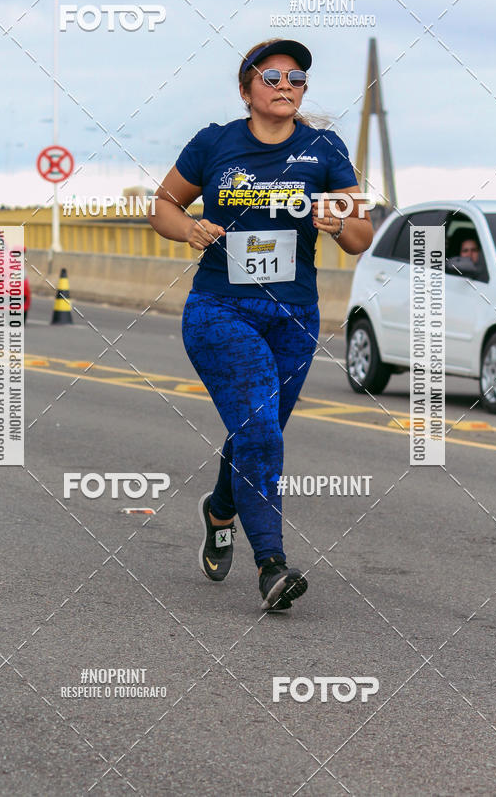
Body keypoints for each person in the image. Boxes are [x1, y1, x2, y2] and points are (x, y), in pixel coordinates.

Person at [148, 38, 373, 611]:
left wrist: (335, 222)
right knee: (260, 433)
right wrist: (189, 229)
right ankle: (271, 564)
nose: (286, 87)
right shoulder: (215, 142)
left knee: (258, 431)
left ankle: (220, 509)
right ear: (247, 87)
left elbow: (360, 236)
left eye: (297, 78)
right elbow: (163, 206)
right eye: (272, 77)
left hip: (294, 315)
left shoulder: (324, 147)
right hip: (221, 307)